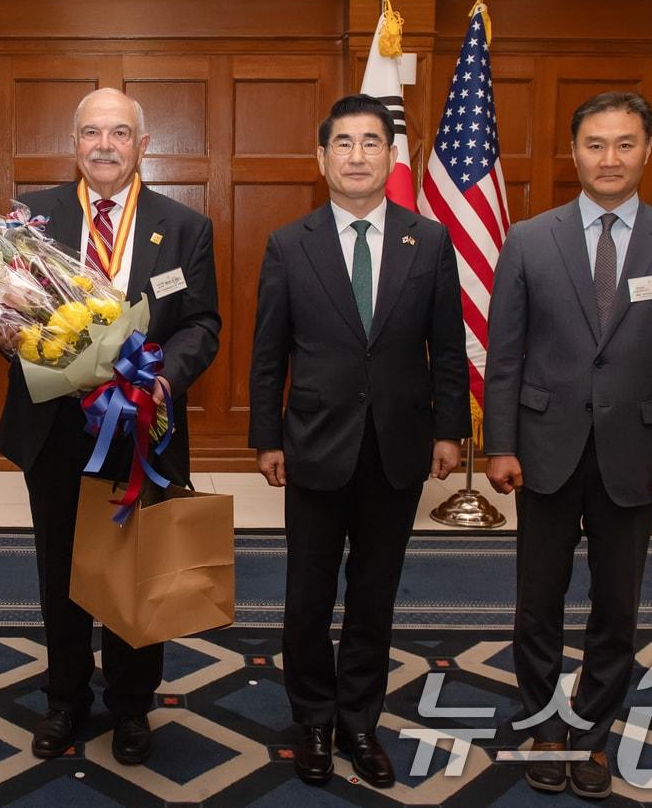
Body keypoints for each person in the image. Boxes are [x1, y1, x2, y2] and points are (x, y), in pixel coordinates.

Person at [484, 91, 652, 799]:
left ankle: (593, 731)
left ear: (647, 150)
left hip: (639, 460)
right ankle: (545, 724)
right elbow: (506, 356)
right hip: (544, 448)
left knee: (617, 607)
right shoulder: (529, 238)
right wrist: (500, 444)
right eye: (594, 144)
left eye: (623, 144)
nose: (608, 158)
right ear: (573, 151)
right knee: (538, 602)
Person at [0, 88, 221, 765]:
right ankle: (65, 698)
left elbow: (202, 324)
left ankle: (131, 704)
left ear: (141, 144)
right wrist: (45, 351)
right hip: (56, 423)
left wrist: (161, 377)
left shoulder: (183, 227)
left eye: (119, 132)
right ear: (74, 141)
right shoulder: (32, 218)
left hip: (140, 424)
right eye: (92, 131)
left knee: (134, 568)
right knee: (61, 570)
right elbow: (5, 311)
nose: (104, 144)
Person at [248, 94, 469, 788]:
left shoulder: (428, 241)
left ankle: (361, 720)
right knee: (308, 594)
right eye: (343, 143)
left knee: (375, 594)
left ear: (391, 156)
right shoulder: (290, 242)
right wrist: (266, 437)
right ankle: (313, 718)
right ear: (322, 158)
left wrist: (450, 430)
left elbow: (449, 348)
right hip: (314, 443)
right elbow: (268, 353)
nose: (357, 156)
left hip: (399, 446)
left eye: (371, 142)